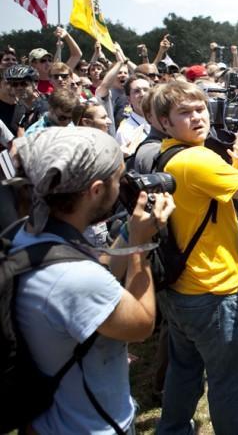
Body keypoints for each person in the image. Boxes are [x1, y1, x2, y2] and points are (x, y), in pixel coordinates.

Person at [11, 126, 174, 434]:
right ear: (96, 190)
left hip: (48, 419)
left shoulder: (32, 233)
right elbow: (140, 324)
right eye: (119, 178)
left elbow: (100, 273)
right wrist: (141, 245)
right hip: (89, 426)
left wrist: (128, 231)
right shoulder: (70, 279)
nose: (125, 186)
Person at [151, 80, 238, 434]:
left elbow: (217, 190)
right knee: (227, 380)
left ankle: (173, 428)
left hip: (179, 288)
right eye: (185, 112)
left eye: (200, 109)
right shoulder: (197, 158)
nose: (197, 118)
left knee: (184, 367)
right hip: (212, 292)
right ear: (164, 121)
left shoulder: (169, 152)